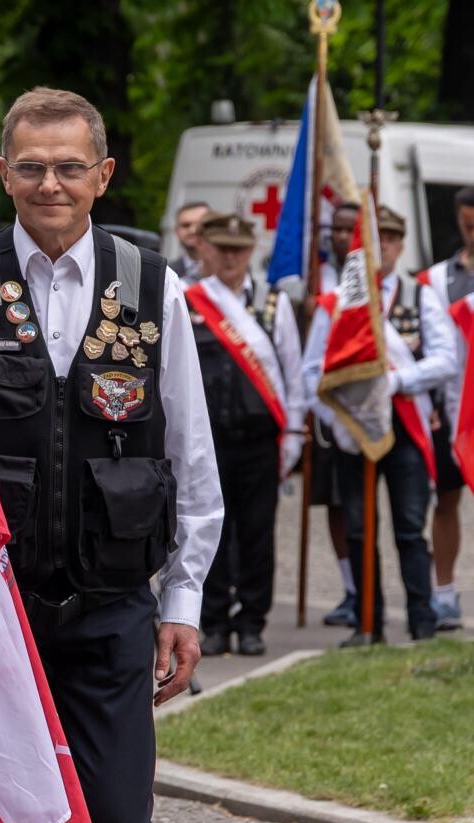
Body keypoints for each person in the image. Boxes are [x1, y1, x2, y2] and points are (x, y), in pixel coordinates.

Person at [0, 87, 223, 823]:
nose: (49, 184)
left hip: (111, 606)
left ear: (103, 174)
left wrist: (183, 601)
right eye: (31, 166)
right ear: (3, 172)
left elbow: (191, 460)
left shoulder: (157, 289)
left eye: (68, 166)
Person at [303, 205, 456, 646]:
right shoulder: (339, 303)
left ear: (400, 244)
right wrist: (339, 416)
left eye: (390, 239)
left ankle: (422, 620)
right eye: (376, 238)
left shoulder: (418, 294)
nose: (383, 246)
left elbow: (446, 358)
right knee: (358, 526)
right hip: (354, 430)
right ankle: (367, 623)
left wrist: (398, 380)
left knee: (410, 527)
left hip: (405, 425)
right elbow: (312, 373)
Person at [184, 213, 305, 656]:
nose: (231, 257)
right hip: (208, 441)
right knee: (208, 533)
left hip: (258, 440)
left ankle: (252, 621)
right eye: (222, 248)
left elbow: (292, 373)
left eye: (238, 249)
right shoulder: (186, 300)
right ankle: (213, 621)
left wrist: (293, 433)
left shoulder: (275, 306)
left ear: (251, 251)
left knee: (257, 533)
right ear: (206, 249)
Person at [418, 186, 474, 630]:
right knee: (446, 498)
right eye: (468, 224)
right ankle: (443, 591)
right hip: (452, 407)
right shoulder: (436, 279)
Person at [314, 200, 360, 627]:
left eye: (351, 229)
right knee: (338, 506)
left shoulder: (373, 282)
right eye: (337, 229)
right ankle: (350, 587)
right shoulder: (318, 280)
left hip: (372, 418)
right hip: (333, 420)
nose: (342, 237)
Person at [169, 200, 210, 283]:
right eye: (186, 225)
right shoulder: (167, 273)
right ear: (176, 231)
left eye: (200, 224)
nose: (193, 230)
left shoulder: (231, 270)